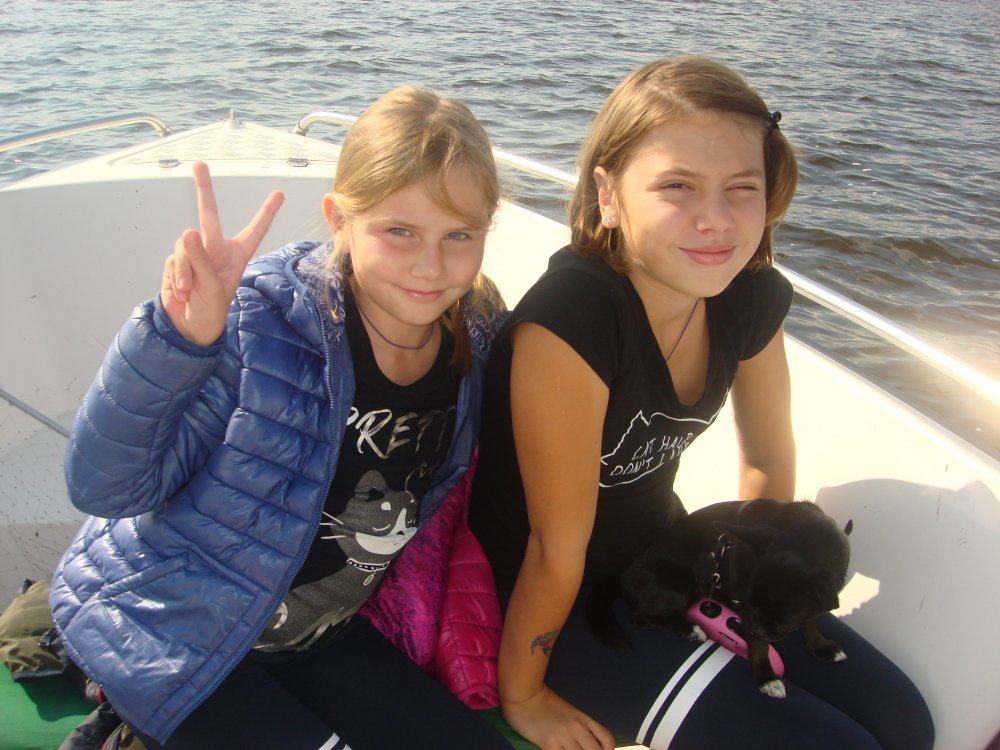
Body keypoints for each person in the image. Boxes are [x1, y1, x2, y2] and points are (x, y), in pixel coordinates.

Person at [469, 56, 934, 750]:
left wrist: (755, 588)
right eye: (677, 185)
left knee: (904, 724)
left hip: (667, 557)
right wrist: (525, 696)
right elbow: (554, 546)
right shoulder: (574, 321)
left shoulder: (746, 296)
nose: (715, 220)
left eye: (741, 188)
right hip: (541, 593)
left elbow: (768, 457)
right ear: (609, 193)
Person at [48, 86, 514, 750]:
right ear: (339, 219)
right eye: (400, 231)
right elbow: (106, 488)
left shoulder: (477, 335)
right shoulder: (260, 326)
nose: (432, 264)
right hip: (175, 635)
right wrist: (177, 342)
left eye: (458, 235)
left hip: (313, 635)